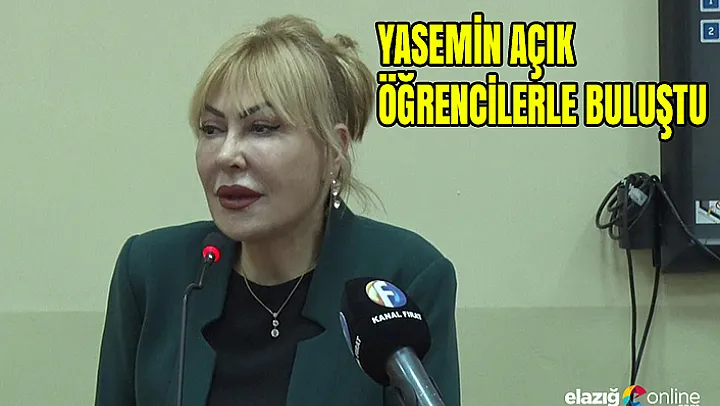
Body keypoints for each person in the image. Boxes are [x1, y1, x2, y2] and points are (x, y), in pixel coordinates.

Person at [94, 14, 461, 406]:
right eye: (211, 129)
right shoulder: (152, 272)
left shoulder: (405, 277)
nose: (227, 155)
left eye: (262, 128)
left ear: (333, 151)